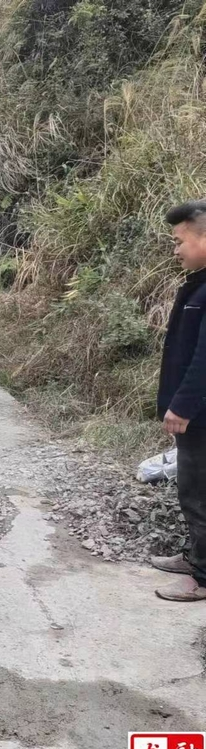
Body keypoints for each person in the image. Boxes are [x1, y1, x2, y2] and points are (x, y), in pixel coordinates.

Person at [152, 200, 206, 601]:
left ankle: (203, 577)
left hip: (200, 413)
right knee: (193, 487)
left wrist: (184, 405)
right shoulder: (200, 285)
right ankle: (196, 557)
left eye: (180, 241)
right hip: (197, 410)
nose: (176, 250)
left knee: (198, 490)